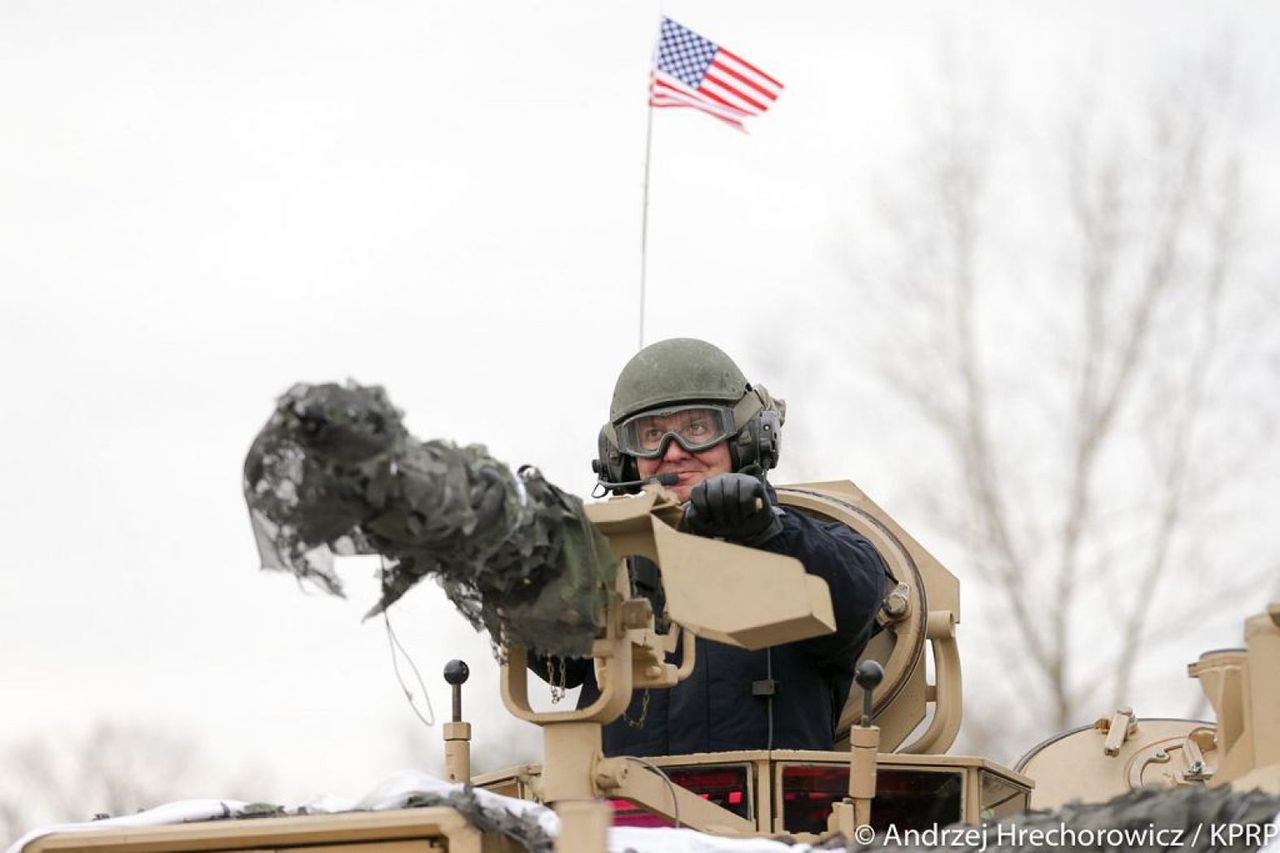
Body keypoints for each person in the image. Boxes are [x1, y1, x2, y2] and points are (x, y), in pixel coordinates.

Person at [538, 338, 890, 757]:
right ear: (621, 458)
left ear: (748, 438)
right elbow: (556, 659)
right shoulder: (604, 562)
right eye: (651, 435)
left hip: (769, 817)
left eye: (698, 429)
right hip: (625, 813)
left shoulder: (812, 545)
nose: (673, 452)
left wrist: (766, 532)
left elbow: (853, 601)